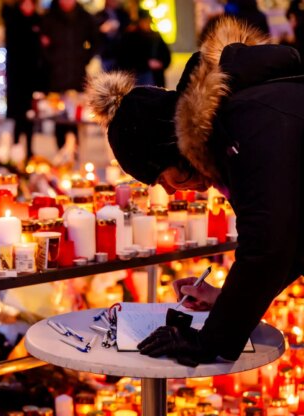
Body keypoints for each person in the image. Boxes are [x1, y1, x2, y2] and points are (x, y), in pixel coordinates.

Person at [86, 16, 304, 366]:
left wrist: (208, 341)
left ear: (173, 148)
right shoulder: (232, 123)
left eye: (162, 179)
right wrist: (225, 299)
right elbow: (293, 240)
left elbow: (269, 244)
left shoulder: (246, 123)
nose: (171, 193)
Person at [41, 0, 98, 150]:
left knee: (77, 116)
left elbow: (96, 40)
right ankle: (62, 152)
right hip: (56, 76)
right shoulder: (49, 17)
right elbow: (42, 44)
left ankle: (76, 150)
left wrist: (84, 58)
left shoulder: (84, 17)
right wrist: (51, 58)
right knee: (59, 117)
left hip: (77, 74)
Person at [2, 0, 44, 160]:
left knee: (30, 117)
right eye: (24, 4)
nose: (27, 8)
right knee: (19, 118)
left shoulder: (37, 21)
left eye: (30, 4)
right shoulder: (13, 20)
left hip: (32, 78)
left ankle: (29, 151)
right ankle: (16, 149)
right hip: (17, 78)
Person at [118, 9, 171, 86]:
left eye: (148, 20)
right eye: (144, 21)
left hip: (156, 78)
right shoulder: (131, 37)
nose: (146, 23)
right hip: (139, 77)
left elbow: (166, 54)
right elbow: (126, 58)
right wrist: (146, 64)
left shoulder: (155, 36)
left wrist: (161, 63)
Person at [94, 0, 130, 72]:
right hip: (106, 52)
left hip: (122, 52)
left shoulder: (122, 14)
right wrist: (102, 28)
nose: (114, 2)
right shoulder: (100, 14)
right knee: (107, 76)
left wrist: (118, 25)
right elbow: (94, 30)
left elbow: (128, 26)